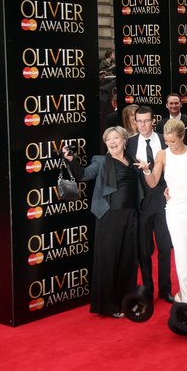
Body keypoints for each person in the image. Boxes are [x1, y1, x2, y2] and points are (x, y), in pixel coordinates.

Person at [64, 126, 139, 318]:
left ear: (124, 140)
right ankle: (109, 305)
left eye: (116, 138)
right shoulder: (101, 161)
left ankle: (126, 300)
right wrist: (72, 160)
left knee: (127, 261)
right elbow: (83, 175)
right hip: (109, 216)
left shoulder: (133, 161)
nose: (112, 142)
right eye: (109, 139)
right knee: (109, 260)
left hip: (130, 216)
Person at [138, 119, 187, 305]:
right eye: (167, 141)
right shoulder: (163, 154)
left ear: (182, 136)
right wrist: (146, 170)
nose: (169, 145)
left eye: (173, 141)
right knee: (182, 254)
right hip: (174, 210)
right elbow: (153, 182)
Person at [126, 106, 172, 302]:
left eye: (146, 121)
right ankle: (147, 289)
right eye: (139, 121)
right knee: (144, 250)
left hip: (163, 199)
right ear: (135, 122)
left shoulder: (164, 140)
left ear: (153, 121)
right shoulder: (129, 143)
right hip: (141, 203)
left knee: (164, 247)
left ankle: (165, 289)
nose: (143, 125)